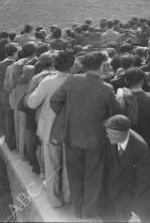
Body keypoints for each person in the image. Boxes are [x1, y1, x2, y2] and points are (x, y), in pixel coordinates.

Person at [50, 51, 121, 219]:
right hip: (95, 140)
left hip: (71, 137)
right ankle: (89, 212)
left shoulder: (72, 80)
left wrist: (69, 117)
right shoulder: (106, 88)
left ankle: (78, 211)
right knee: (93, 177)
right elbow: (117, 113)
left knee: (75, 176)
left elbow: (54, 101)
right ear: (102, 66)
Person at [27, 50, 75, 208]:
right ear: (73, 65)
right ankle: (68, 196)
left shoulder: (47, 81)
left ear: (55, 64)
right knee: (69, 165)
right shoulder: (78, 81)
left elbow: (32, 103)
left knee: (52, 165)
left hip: (50, 128)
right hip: (72, 128)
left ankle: (55, 200)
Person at [103, 114, 150, 222]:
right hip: (114, 192)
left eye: (111, 134)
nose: (108, 136)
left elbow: (144, 182)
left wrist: (137, 212)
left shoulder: (140, 148)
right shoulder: (112, 139)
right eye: (108, 132)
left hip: (131, 195)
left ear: (123, 134)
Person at [0, 43, 19, 150]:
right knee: (10, 120)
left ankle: (7, 138)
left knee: (4, 119)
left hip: (0, 95)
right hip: (10, 95)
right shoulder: (16, 65)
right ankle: (11, 143)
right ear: (14, 53)